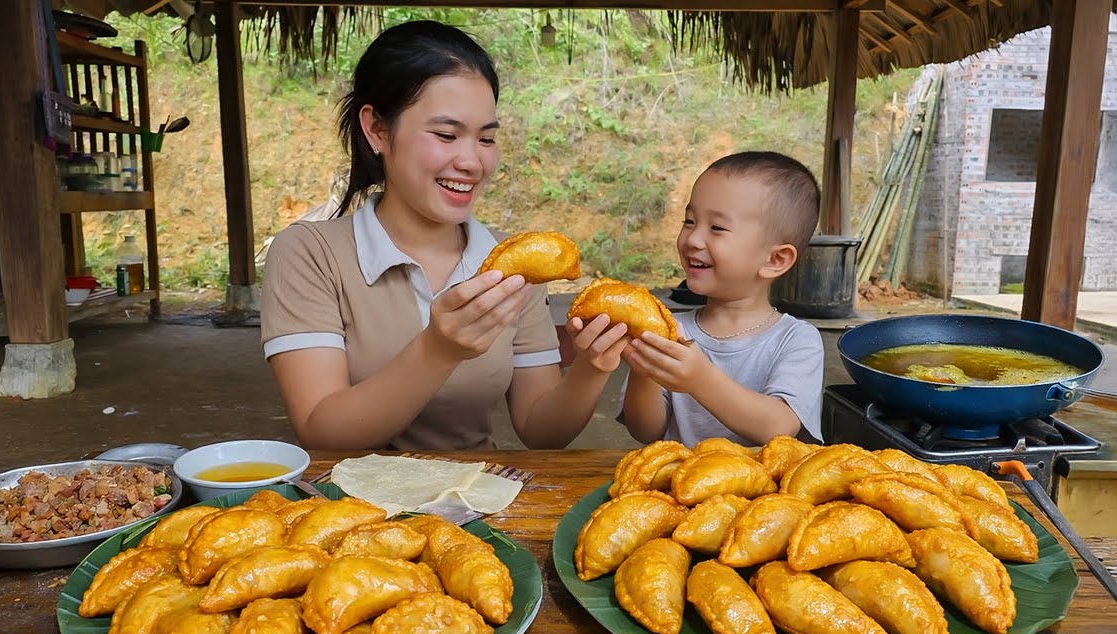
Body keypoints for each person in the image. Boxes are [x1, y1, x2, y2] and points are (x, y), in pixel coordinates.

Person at [260, 21, 629, 451]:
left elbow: (540, 430)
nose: (472, 162)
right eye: (446, 135)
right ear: (377, 130)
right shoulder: (310, 254)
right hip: (348, 509)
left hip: (473, 505)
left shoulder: (509, 263)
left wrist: (591, 368)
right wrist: (437, 351)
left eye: (486, 138)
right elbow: (322, 432)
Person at [620, 151, 825, 447]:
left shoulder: (796, 339)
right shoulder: (670, 330)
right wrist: (644, 371)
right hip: (680, 488)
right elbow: (646, 431)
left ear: (776, 259)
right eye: (689, 221)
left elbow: (779, 427)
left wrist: (699, 379)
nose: (692, 239)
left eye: (716, 227)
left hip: (763, 492)